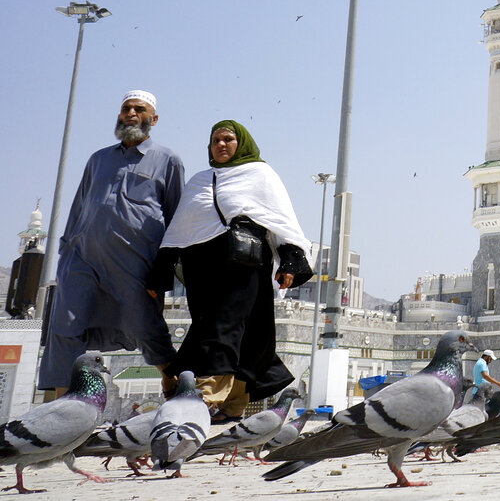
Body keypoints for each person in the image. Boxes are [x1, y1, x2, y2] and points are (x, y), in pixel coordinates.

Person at [148, 120, 313, 423]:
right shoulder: (200, 180)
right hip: (202, 269)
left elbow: (279, 220)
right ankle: (234, 403)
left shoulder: (260, 174)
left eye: (228, 139)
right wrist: (160, 273)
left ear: (242, 144)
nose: (221, 145)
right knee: (243, 332)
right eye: (215, 140)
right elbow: (179, 230)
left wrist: (291, 261)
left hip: (244, 264)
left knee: (223, 326)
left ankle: (205, 395)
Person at [38, 91, 184, 396]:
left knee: (143, 323)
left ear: (153, 119)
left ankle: (170, 374)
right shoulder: (98, 159)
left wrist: (164, 269)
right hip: (82, 256)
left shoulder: (167, 160)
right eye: (125, 108)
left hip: (133, 260)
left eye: (138, 109)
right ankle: (63, 407)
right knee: (65, 326)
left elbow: (176, 218)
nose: (130, 113)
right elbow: (79, 207)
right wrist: (66, 253)